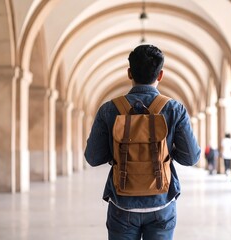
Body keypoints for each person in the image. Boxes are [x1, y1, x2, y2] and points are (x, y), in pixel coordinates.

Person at [84, 44, 201, 240]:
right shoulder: (174, 109)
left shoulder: (109, 110)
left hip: (122, 204)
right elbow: (191, 158)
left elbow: (93, 158)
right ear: (160, 75)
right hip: (162, 204)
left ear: (129, 73)